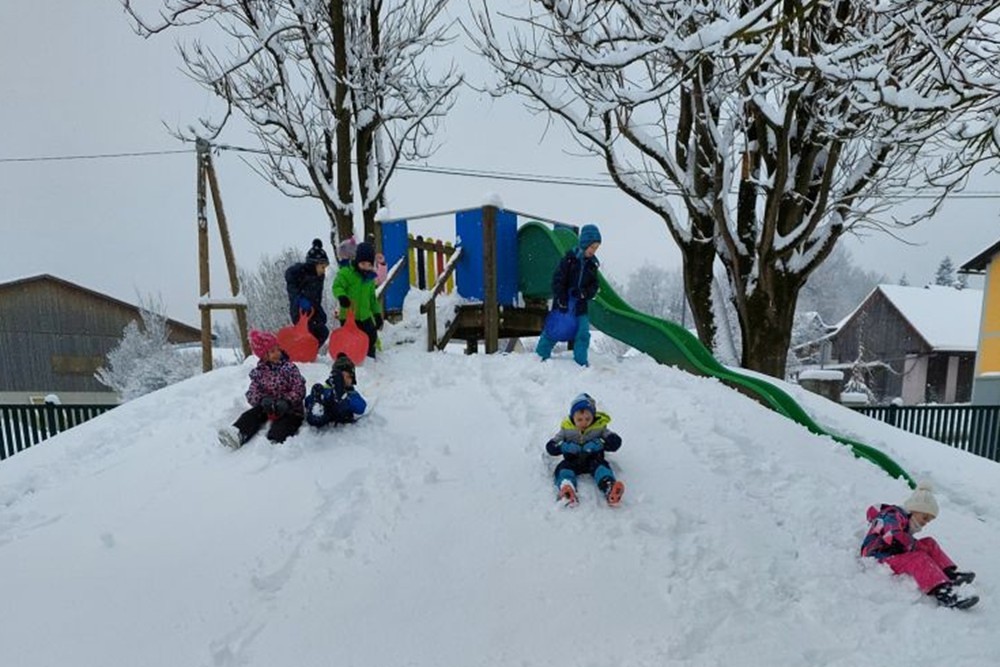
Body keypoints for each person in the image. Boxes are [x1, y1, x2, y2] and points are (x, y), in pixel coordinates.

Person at [860, 481, 978, 609]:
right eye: (925, 517)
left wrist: (916, 545)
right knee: (918, 558)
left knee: (929, 542)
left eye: (929, 520)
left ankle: (948, 573)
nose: (926, 522)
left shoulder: (904, 520)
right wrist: (915, 546)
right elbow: (893, 536)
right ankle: (944, 593)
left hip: (892, 552)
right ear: (914, 509)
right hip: (878, 557)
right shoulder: (892, 516)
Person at [219, 330, 306, 448]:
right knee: (252, 414)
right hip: (269, 407)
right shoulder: (260, 372)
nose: (277, 353)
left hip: (290, 408)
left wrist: (288, 400)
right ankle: (239, 432)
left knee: (285, 424)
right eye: (272, 351)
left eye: (278, 349)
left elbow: (299, 387)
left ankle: (274, 439)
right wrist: (262, 400)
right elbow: (252, 392)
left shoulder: (289, 368)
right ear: (264, 356)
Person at [536, 224, 602, 367]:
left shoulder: (592, 265)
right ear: (585, 244)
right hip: (564, 302)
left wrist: (585, 293)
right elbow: (558, 280)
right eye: (592, 247)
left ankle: (581, 362)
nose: (593, 251)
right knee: (555, 330)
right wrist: (561, 297)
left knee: (583, 333)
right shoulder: (569, 260)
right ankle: (540, 355)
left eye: (596, 248)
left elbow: (594, 286)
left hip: (580, 305)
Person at [544, 393, 625, 506]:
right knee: (563, 468)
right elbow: (551, 446)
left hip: (593, 459)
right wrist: (563, 447)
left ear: (593, 416)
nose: (584, 423)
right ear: (573, 418)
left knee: (602, 467)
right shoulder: (566, 429)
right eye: (579, 419)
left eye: (588, 419)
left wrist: (602, 444)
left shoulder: (599, 427)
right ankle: (567, 489)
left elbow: (615, 443)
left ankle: (609, 488)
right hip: (572, 460)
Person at [332, 241, 384, 359]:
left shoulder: (370, 279)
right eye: (363, 263)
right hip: (348, 315)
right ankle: (349, 356)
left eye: (369, 265)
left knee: (371, 335)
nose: (366, 267)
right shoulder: (346, 273)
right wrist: (342, 296)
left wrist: (377, 314)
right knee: (350, 338)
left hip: (365, 315)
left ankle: (369, 357)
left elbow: (372, 299)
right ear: (357, 261)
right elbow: (337, 286)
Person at [284, 238, 331, 347]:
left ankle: (310, 351)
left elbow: (316, 297)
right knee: (312, 331)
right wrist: (300, 300)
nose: (324, 270)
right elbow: (292, 289)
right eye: (322, 267)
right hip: (300, 312)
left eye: (325, 267)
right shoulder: (300, 274)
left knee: (323, 332)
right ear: (314, 264)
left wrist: (319, 311)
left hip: (313, 310)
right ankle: (300, 350)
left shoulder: (319, 277)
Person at [305, 353, 368, 427]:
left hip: (341, 413)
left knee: (341, 402)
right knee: (317, 388)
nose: (345, 379)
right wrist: (317, 398)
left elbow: (361, 407)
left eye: (348, 376)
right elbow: (307, 401)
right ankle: (317, 411)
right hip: (325, 413)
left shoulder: (351, 393)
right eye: (342, 376)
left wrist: (347, 398)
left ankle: (339, 396)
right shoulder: (325, 389)